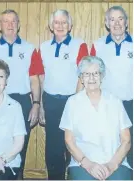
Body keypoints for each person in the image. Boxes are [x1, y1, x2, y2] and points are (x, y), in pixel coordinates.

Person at [0, 9, 44, 179]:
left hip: (22, 101)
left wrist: (36, 105)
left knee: (20, 144)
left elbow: (34, 79)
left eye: (14, 21)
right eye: (6, 21)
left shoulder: (30, 48)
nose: (10, 24)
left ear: (18, 25)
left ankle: (18, 176)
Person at [60, 56, 132, 180]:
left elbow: (126, 141)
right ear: (81, 78)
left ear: (102, 76)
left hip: (116, 163)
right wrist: (88, 165)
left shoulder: (115, 101)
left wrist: (111, 165)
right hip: (82, 163)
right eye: (87, 74)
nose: (92, 78)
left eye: (96, 73)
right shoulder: (72, 103)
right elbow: (69, 141)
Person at [38, 9, 88, 180]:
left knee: (71, 144)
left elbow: (84, 74)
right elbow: (41, 77)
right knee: (53, 146)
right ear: (51, 26)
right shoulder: (43, 47)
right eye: (57, 22)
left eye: (64, 22)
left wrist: (76, 101)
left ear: (70, 25)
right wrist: (41, 107)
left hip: (71, 101)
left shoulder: (80, 45)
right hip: (50, 101)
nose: (60, 26)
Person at [89, 6, 133, 169]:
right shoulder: (97, 45)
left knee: (131, 148)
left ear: (126, 22)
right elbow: (91, 75)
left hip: (130, 105)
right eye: (112, 19)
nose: (116, 23)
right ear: (107, 23)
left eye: (120, 19)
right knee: (106, 147)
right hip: (105, 106)